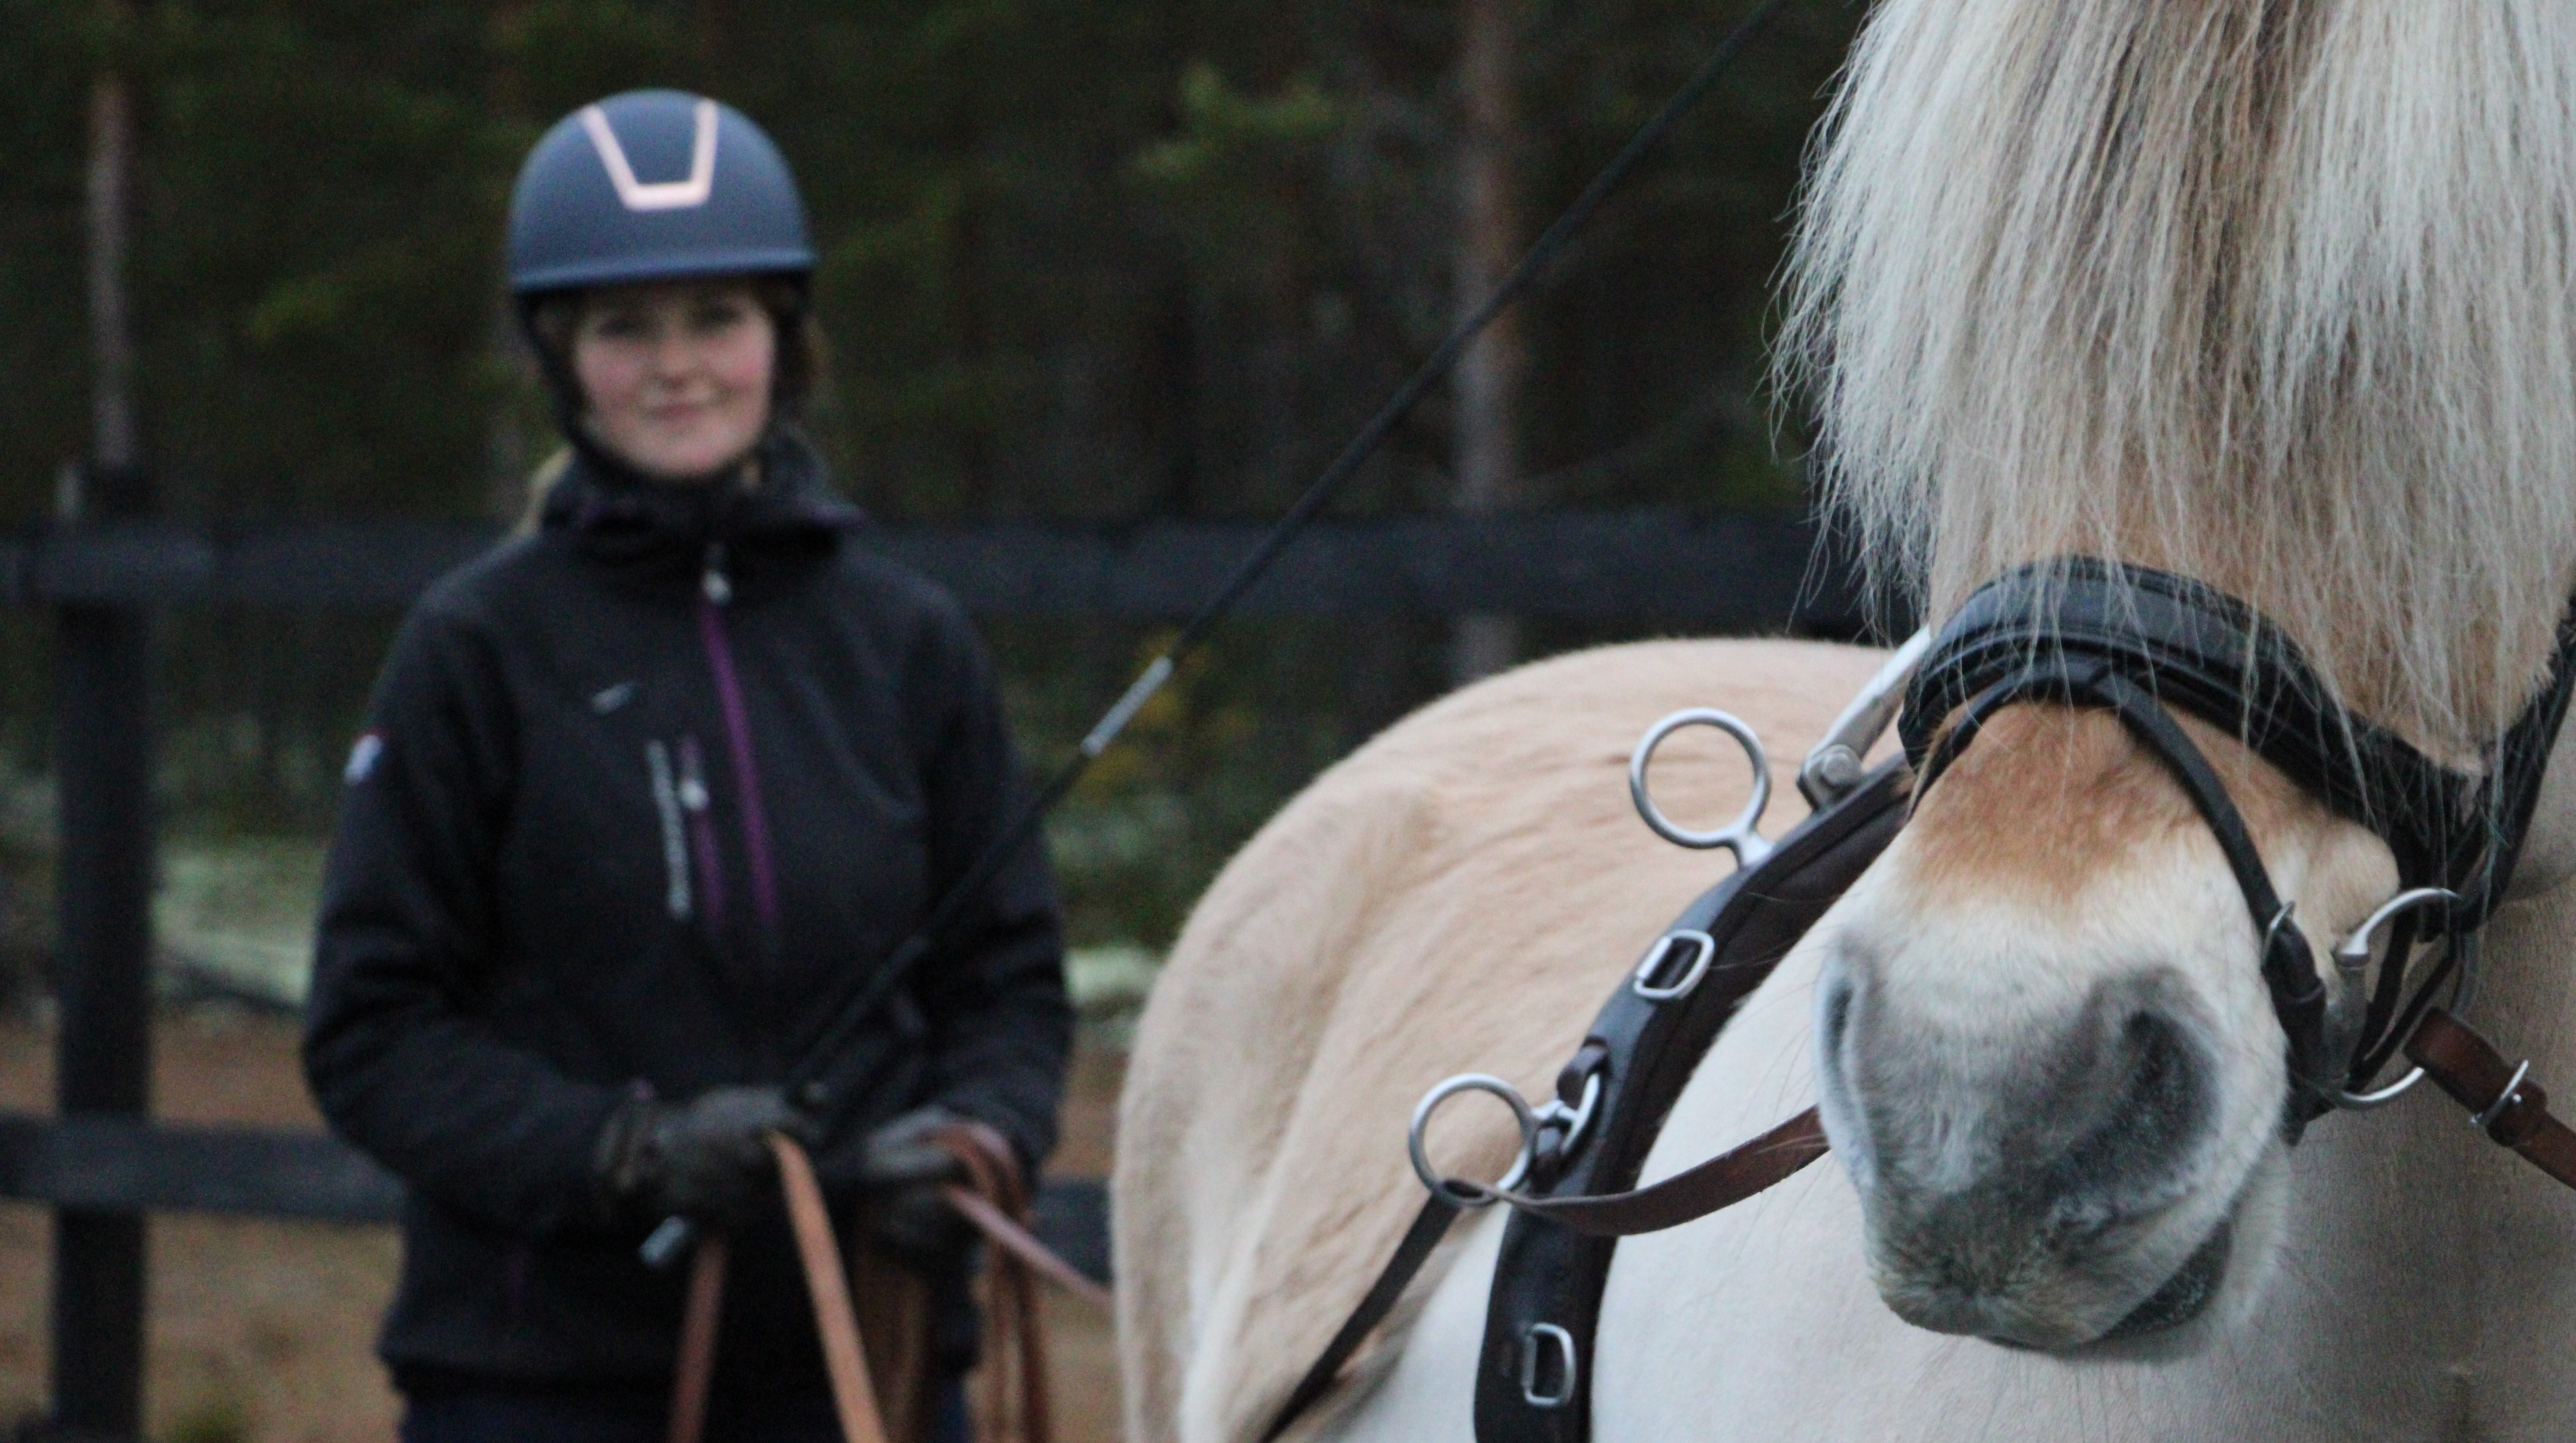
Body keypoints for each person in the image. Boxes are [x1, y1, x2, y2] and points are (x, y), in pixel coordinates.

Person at [304, 89, 1072, 1443]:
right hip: (538, 1377)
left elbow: (1007, 982)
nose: (678, 366)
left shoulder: (907, 644)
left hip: (866, 1368)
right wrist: (623, 1154)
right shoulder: (474, 649)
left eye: (716, 318)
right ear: (561, 356)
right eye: (624, 328)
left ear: (785, 338)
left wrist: (971, 1142)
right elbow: (373, 1035)